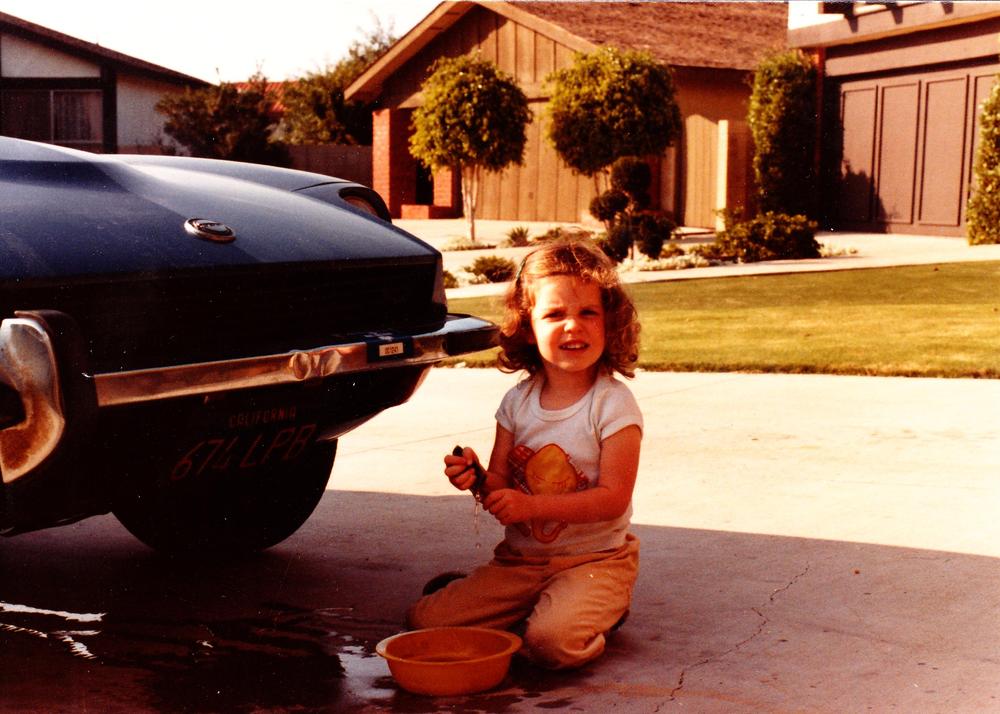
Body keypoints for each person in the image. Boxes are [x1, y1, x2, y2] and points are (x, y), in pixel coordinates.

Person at [407, 237, 643, 670]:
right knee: (424, 620)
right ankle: (523, 606)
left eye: (588, 312)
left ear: (609, 321)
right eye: (555, 314)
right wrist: (477, 478)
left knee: (553, 644)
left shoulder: (614, 405)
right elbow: (501, 489)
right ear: (528, 326)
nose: (573, 326)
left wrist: (531, 504)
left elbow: (614, 498)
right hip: (520, 562)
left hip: (595, 561)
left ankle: (601, 611)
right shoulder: (517, 403)